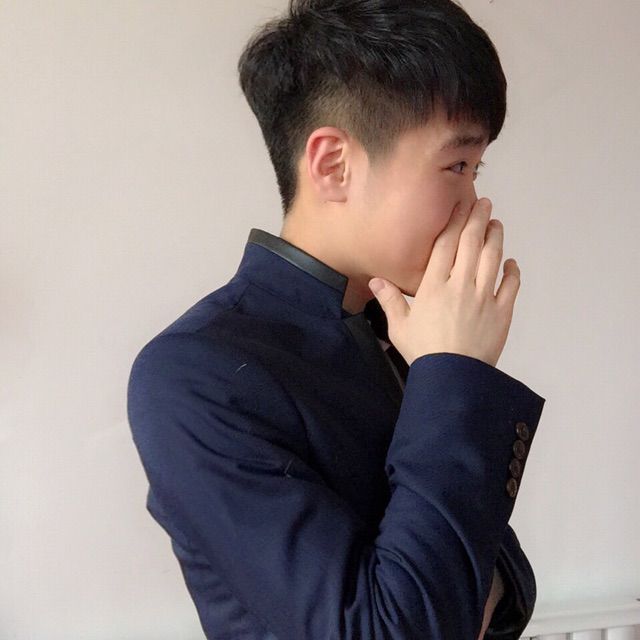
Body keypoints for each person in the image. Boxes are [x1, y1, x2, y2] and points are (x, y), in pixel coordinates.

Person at [126, 1, 546, 638]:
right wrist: (455, 374)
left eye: (477, 167)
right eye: (457, 165)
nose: (474, 203)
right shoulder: (194, 375)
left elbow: (509, 587)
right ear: (333, 164)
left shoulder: (402, 331)